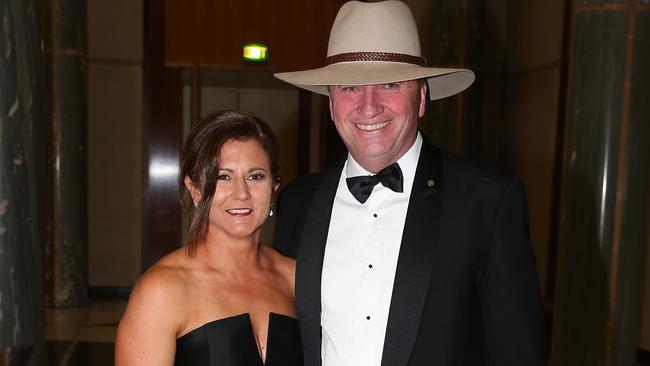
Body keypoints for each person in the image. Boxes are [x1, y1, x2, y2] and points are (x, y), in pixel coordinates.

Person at [272, 1, 547, 365]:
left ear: (421, 97)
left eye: (389, 83)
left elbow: (519, 355)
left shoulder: (488, 201)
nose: (369, 107)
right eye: (350, 88)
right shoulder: (297, 204)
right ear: (331, 103)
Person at [115, 111, 303, 365]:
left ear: (273, 187)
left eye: (255, 176)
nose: (241, 193)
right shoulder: (162, 290)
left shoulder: (294, 278)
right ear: (195, 189)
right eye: (223, 177)